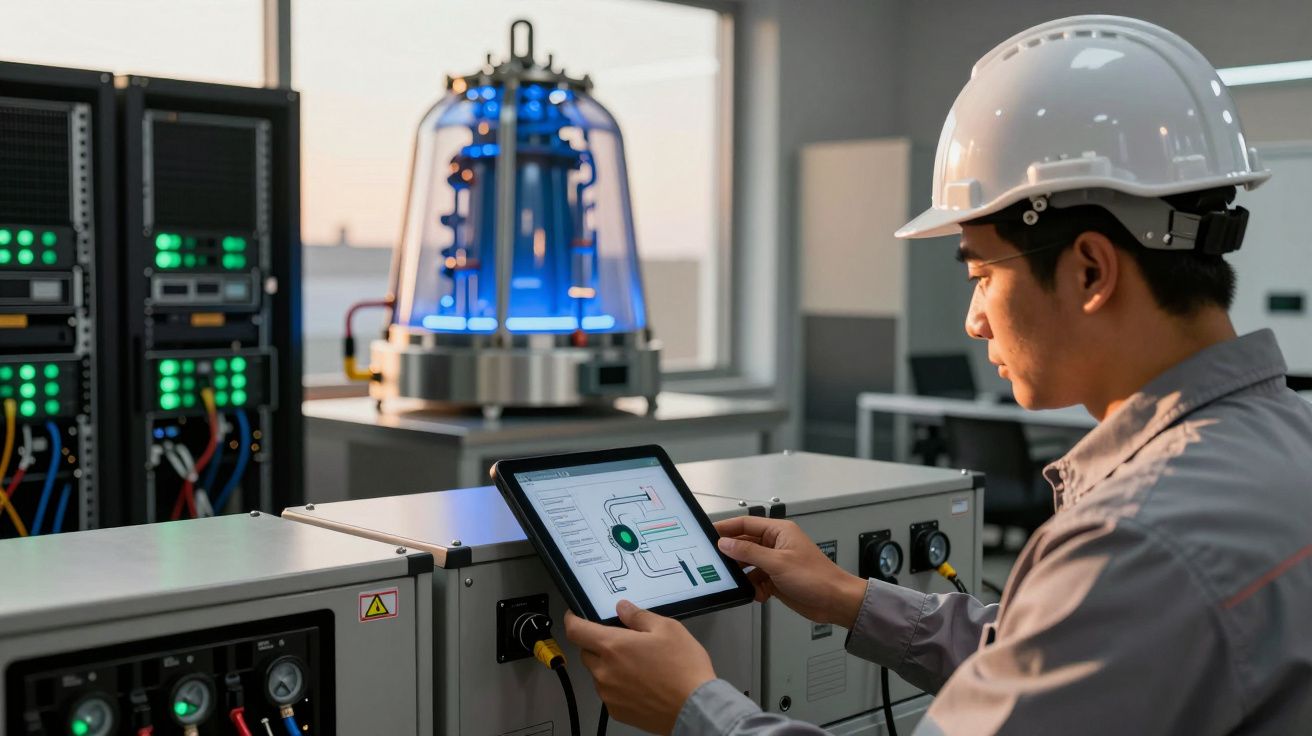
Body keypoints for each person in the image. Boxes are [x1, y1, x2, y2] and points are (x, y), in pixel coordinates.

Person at [564, 14, 1312, 735]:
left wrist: (693, 706)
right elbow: (1060, 661)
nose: (974, 319)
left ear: (1089, 269)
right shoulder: (1283, 444)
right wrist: (852, 598)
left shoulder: (1138, 541)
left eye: (982, 272)